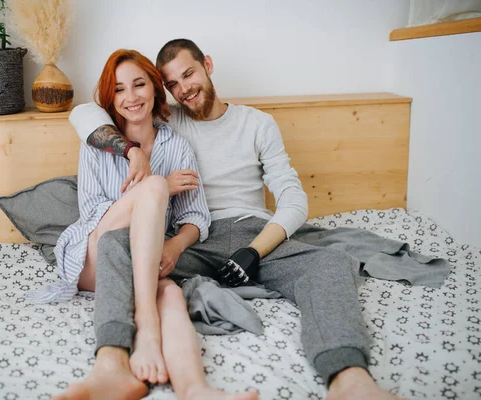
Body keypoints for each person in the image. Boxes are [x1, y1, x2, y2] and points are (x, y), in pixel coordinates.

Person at [60, 39, 403, 400]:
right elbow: (85, 113)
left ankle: (349, 379)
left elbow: (293, 198)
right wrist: (131, 154)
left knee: (330, 263)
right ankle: (114, 365)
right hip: (194, 240)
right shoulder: (163, 117)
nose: (184, 89)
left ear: (207, 65)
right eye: (173, 84)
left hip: (252, 233)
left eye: (189, 74)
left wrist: (254, 250)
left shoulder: (257, 123)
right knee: (122, 249)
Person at [39, 49, 256, 400]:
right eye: (120, 89)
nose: (131, 97)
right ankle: (144, 331)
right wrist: (158, 187)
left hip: (144, 255)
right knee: (153, 187)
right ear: (111, 98)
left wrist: (175, 245)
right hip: (92, 255)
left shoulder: (177, 146)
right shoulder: (97, 142)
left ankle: (194, 387)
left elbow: (196, 218)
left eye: (139, 85)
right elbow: (94, 214)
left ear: (156, 89)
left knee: (170, 293)